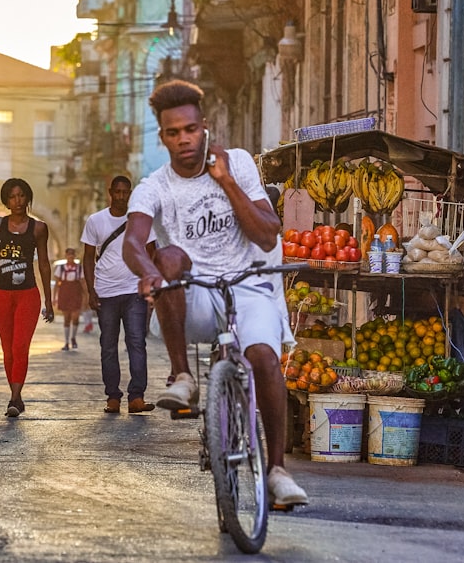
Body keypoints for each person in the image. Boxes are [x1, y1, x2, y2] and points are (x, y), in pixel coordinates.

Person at [122, 79, 308, 507]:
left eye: (190, 129)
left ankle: (278, 471)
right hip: (195, 295)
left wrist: (225, 182)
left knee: (263, 357)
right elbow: (134, 241)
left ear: (204, 126)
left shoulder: (238, 163)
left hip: (248, 285)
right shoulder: (154, 186)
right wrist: (149, 274)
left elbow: (266, 236)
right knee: (168, 256)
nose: (184, 139)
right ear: (162, 136)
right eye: (173, 132)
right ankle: (182, 375)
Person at [0, 178, 54, 418]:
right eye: (12, 196)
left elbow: (44, 265)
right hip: (2, 295)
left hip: (28, 294)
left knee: (20, 346)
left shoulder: (39, 228)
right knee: (8, 349)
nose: (17, 201)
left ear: (28, 198)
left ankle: (15, 397)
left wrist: (48, 300)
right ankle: (15, 393)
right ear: (6, 200)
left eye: (21, 196)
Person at [82, 175, 157, 414]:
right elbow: (87, 258)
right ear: (110, 192)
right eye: (118, 192)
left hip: (134, 291)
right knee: (108, 346)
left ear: (130, 193)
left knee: (136, 343)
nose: (122, 196)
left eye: (126, 192)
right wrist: (91, 291)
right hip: (105, 292)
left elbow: (152, 251)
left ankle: (137, 397)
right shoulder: (96, 221)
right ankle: (112, 397)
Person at [53, 247, 85, 350]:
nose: (70, 257)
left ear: (74, 256)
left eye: (72, 255)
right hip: (65, 293)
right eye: (69, 255)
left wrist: (86, 297)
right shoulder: (61, 268)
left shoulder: (79, 268)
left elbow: (82, 283)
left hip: (76, 293)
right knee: (66, 318)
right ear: (66, 256)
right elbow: (57, 284)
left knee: (75, 316)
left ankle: (73, 338)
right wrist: (54, 297)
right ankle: (66, 342)